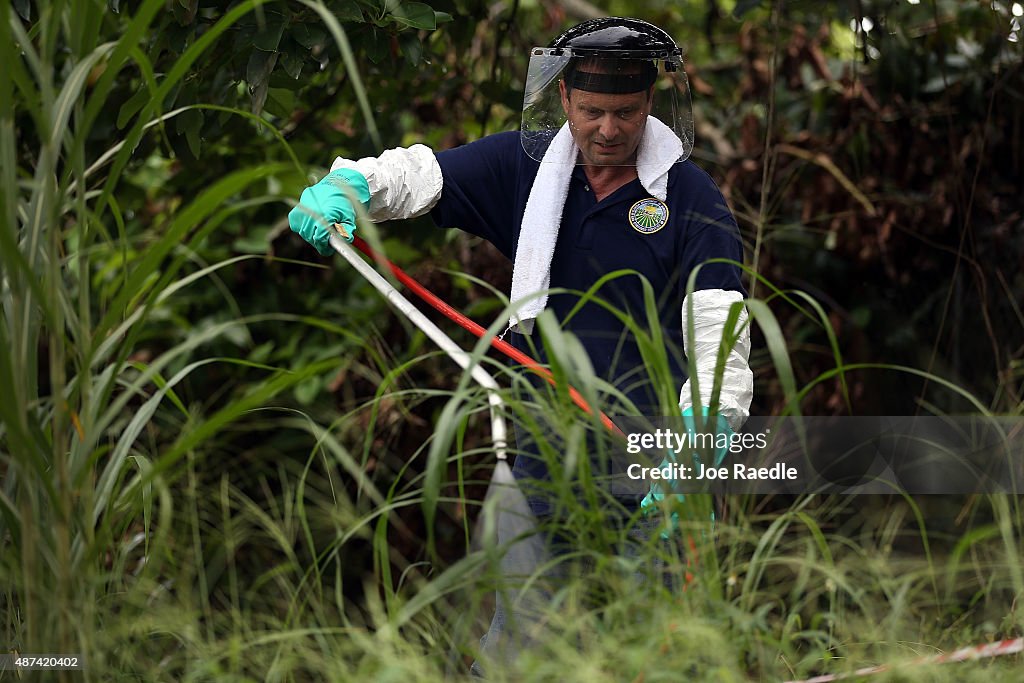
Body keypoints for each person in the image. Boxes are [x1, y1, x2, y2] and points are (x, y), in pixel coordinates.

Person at [288, 16, 753, 673]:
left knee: (660, 652)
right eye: (592, 111)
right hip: (542, 455)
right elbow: (423, 175)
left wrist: (700, 439)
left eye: (626, 112)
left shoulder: (692, 198)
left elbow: (719, 332)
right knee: (519, 654)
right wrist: (355, 186)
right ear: (564, 98)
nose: (609, 129)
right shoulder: (527, 167)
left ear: (652, 104)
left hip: (656, 464)